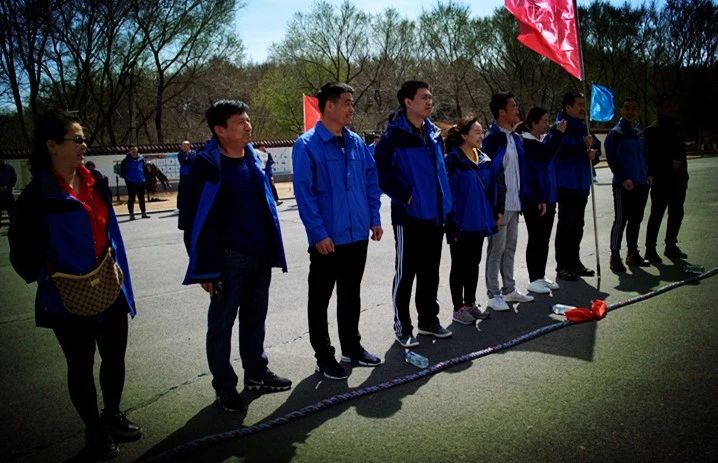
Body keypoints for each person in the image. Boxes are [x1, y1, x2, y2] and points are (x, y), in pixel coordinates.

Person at [9, 109, 140, 460]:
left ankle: (112, 415)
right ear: (51, 145)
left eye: (84, 139)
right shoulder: (36, 196)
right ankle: (94, 429)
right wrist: (50, 275)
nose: (84, 145)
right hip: (66, 296)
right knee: (80, 364)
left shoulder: (96, 181)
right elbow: (21, 251)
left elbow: (110, 233)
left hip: (109, 286)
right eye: (77, 139)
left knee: (114, 357)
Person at [178, 100, 291, 413]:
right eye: (240, 122)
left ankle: (256, 373)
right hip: (226, 260)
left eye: (248, 120)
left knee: (255, 319)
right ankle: (224, 387)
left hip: (259, 255)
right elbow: (189, 221)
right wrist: (205, 269)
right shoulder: (204, 167)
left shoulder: (253, 158)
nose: (248, 126)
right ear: (220, 130)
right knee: (221, 326)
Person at [293, 82, 383, 379]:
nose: (351, 108)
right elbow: (305, 194)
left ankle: (352, 348)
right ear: (328, 106)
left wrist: (374, 218)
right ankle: (324, 356)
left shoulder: (355, 142)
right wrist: (318, 233)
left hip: (357, 235)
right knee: (320, 299)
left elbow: (371, 181)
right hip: (328, 239)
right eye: (346, 102)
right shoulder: (307, 145)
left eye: (352, 102)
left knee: (351, 295)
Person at [375, 80, 453, 348]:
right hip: (408, 217)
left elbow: (441, 172)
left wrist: (446, 205)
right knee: (405, 274)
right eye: (423, 97)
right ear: (408, 102)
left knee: (430, 273)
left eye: (430, 97)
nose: (429, 101)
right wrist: (405, 194)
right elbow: (381, 173)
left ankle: (429, 321)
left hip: (435, 215)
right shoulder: (393, 137)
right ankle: (403, 327)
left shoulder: (433, 133)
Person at [481, 92, 534, 312]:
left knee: (510, 248)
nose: (517, 109)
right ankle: (493, 294)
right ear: (501, 112)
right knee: (496, 249)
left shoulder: (515, 138)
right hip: (499, 205)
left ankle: (509, 288)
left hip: (515, 203)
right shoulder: (492, 139)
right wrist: (495, 206)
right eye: (513, 106)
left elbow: (522, 171)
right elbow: (489, 174)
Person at [444, 117, 496, 324]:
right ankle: (458, 308)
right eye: (477, 132)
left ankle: (470, 303)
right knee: (459, 265)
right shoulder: (452, 161)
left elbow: (490, 190)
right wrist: (452, 224)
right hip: (460, 224)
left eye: (482, 132)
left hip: (479, 222)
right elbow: (449, 195)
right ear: (464, 135)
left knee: (474, 264)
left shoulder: (482, 158)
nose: (481, 136)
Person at [516, 107, 566, 294]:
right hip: (534, 199)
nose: (547, 124)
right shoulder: (527, 143)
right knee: (536, 238)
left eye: (548, 120)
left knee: (544, 239)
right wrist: (557, 135)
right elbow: (541, 162)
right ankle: (533, 278)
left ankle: (540, 275)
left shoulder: (541, 140)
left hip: (547, 198)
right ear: (533, 124)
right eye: (544, 121)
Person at [554, 92, 601, 281]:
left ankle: (575, 261)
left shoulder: (584, 127)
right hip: (566, 184)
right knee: (566, 225)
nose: (583, 108)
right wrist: (582, 147)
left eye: (584, 104)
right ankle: (562, 265)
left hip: (582, 183)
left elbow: (594, 152)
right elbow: (560, 152)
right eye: (579, 104)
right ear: (568, 107)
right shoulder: (560, 127)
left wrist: (593, 155)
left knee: (578, 225)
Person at [606, 97, 651, 272]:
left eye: (634, 108)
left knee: (636, 220)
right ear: (621, 111)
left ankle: (632, 254)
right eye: (627, 108)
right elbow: (612, 159)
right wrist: (623, 178)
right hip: (623, 185)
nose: (631, 112)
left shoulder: (639, 133)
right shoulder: (616, 133)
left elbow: (645, 155)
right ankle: (614, 256)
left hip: (641, 184)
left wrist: (648, 174)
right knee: (620, 220)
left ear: (638, 111)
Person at [644, 94, 689, 262]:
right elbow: (650, 156)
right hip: (661, 179)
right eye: (667, 105)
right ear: (659, 108)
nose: (671, 108)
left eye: (672, 105)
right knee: (656, 215)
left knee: (677, 213)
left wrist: (682, 173)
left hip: (679, 179)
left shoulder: (678, 127)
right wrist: (668, 162)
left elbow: (682, 152)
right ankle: (650, 249)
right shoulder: (652, 130)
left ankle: (671, 245)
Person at [119, 145, 149, 220]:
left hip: (141, 181)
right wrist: (127, 179)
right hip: (131, 182)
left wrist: (145, 178)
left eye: (135, 149)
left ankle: (143, 212)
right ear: (129, 151)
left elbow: (145, 170)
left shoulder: (141, 159)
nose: (134, 151)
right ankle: (131, 214)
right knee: (131, 198)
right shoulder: (126, 161)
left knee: (141, 198)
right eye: (132, 149)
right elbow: (122, 172)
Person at [176, 140, 196, 213]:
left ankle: (192, 206)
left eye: (185, 145)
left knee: (192, 191)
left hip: (192, 175)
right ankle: (179, 207)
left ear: (188, 146)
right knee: (181, 191)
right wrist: (188, 159)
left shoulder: (193, 153)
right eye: (183, 145)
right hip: (183, 175)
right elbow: (183, 161)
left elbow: (193, 160)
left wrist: (187, 159)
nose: (183, 147)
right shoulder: (180, 154)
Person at [0, 154, 17, 229]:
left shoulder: (9, 168)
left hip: (8, 194)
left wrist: (8, 187)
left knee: (13, 214)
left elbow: (14, 179)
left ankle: (14, 229)